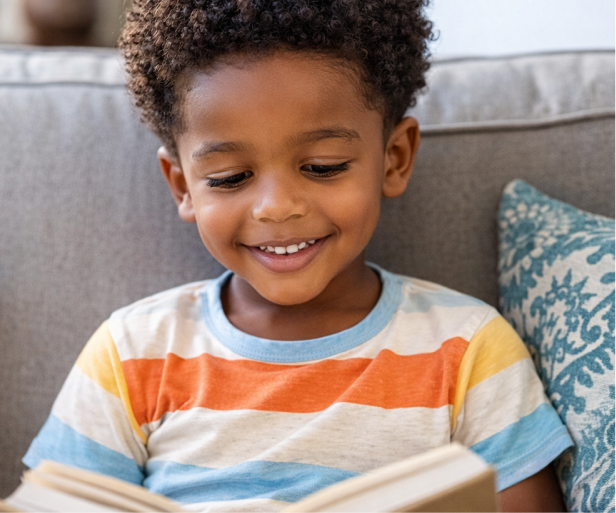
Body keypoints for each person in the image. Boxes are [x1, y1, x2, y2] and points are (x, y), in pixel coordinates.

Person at [22, 1, 573, 511]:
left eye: (324, 166)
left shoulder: (468, 348)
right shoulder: (133, 352)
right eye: (230, 177)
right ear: (183, 187)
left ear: (394, 158)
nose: (276, 208)